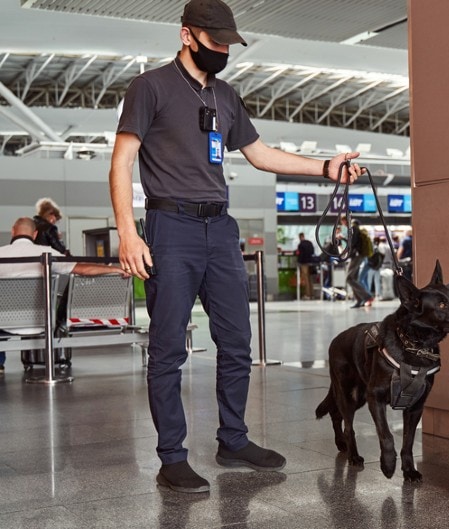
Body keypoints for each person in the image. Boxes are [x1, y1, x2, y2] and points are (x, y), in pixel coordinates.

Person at [108, 0, 363, 494]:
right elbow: (121, 163)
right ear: (187, 35)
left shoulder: (226, 95)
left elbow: (261, 153)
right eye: (214, 42)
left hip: (219, 229)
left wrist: (326, 168)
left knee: (238, 342)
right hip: (169, 225)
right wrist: (128, 231)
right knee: (167, 349)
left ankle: (233, 439)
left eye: (229, 44)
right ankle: (172, 456)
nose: (223, 50)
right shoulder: (150, 87)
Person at [0, 217, 128, 370]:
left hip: (4, 323)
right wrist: (114, 269)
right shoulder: (46, 252)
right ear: (34, 234)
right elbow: (82, 269)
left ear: (13, 232)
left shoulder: (1, 253)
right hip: (44, 322)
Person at [345, 219, 373, 309]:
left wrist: (348, 253)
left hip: (356, 256)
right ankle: (359, 299)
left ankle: (366, 296)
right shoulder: (357, 229)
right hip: (359, 256)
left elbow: (352, 243)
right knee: (354, 278)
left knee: (349, 278)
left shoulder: (353, 228)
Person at [295, 232, 316, 300]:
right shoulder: (309, 243)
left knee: (306, 279)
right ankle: (312, 294)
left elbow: (300, 255)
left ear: (300, 237)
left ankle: (307, 294)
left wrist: (298, 262)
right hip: (311, 263)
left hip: (304, 263)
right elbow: (312, 252)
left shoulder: (301, 244)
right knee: (310, 279)